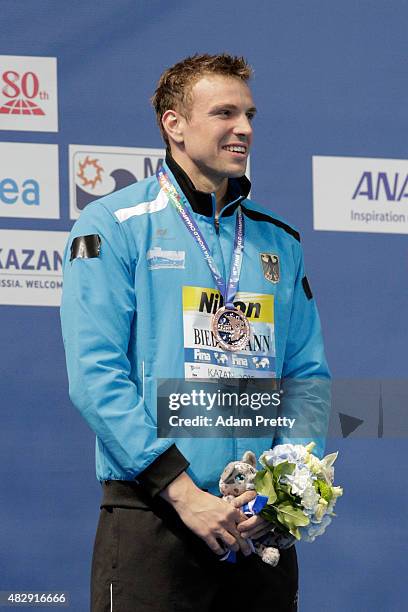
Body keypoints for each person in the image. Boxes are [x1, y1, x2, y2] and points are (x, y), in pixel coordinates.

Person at [61, 53, 330, 612]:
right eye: (225, 113)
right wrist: (183, 494)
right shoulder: (114, 225)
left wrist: (284, 492)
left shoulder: (278, 241)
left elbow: (306, 376)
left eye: (250, 114)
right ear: (174, 124)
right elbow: (96, 376)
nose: (245, 129)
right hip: (155, 516)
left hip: (258, 530)